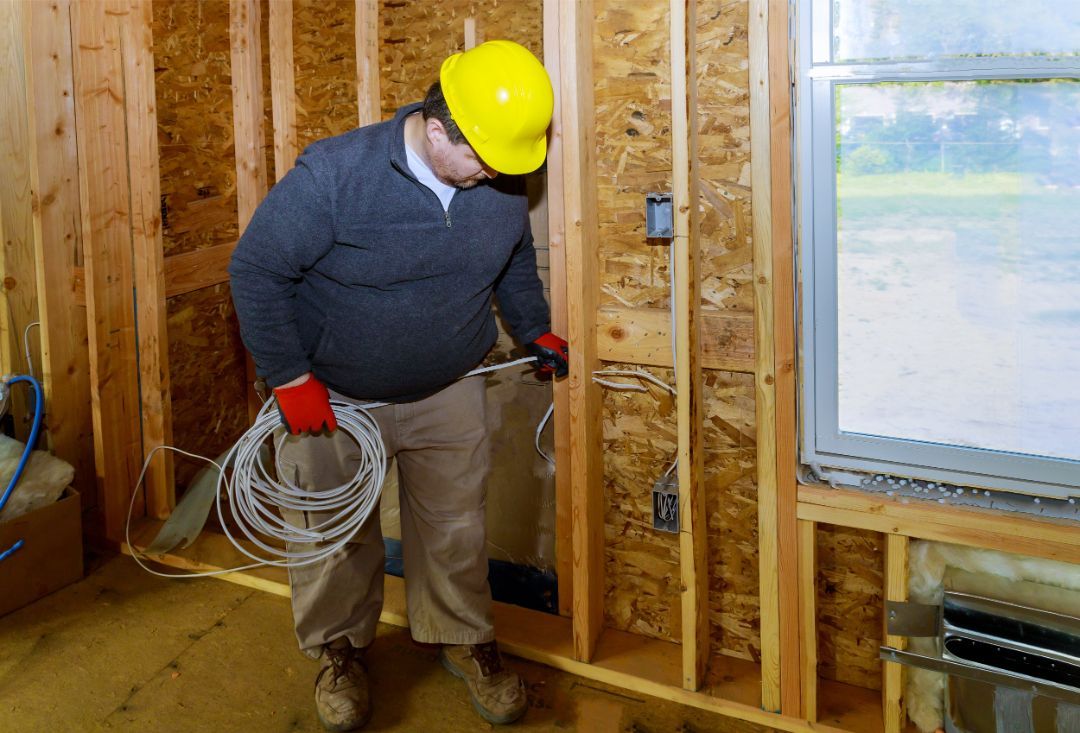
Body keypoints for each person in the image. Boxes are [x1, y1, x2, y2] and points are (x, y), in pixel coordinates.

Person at [228, 40, 568, 732]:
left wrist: (535, 327)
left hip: (448, 386)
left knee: (455, 527)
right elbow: (256, 271)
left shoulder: (496, 179)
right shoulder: (335, 174)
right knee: (332, 530)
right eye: (481, 157)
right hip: (334, 396)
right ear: (436, 128)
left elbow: (515, 257)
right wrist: (290, 376)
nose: (496, 173)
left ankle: (461, 636)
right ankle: (339, 651)